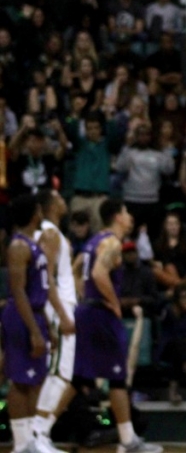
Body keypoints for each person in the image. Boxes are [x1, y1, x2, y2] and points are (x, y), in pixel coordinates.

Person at [72, 199, 162, 453]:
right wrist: (113, 303)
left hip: (87, 310)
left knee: (79, 377)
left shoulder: (94, 240)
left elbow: (77, 268)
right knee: (116, 376)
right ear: (117, 216)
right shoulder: (111, 242)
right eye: (126, 212)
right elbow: (100, 274)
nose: (130, 216)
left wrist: (82, 294)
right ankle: (128, 440)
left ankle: (40, 429)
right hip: (100, 313)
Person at [32, 190, 77, 453]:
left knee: (62, 374)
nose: (64, 200)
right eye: (59, 197)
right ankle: (38, 434)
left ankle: (40, 434)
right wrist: (61, 313)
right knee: (58, 373)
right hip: (56, 307)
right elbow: (45, 278)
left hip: (59, 305)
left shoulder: (53, 233)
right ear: (50, 206)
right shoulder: (49, 233)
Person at [2, 195, 48, 453]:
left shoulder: (32, 243)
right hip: (22, 315)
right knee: (20, 381)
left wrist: (45, 325)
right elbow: (18, 291)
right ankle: (21, 444)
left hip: (35, 313)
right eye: (39, 208)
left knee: (34, 380)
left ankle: (31, 440)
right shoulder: (19, 246)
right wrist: (33, 331)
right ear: (33, 213)